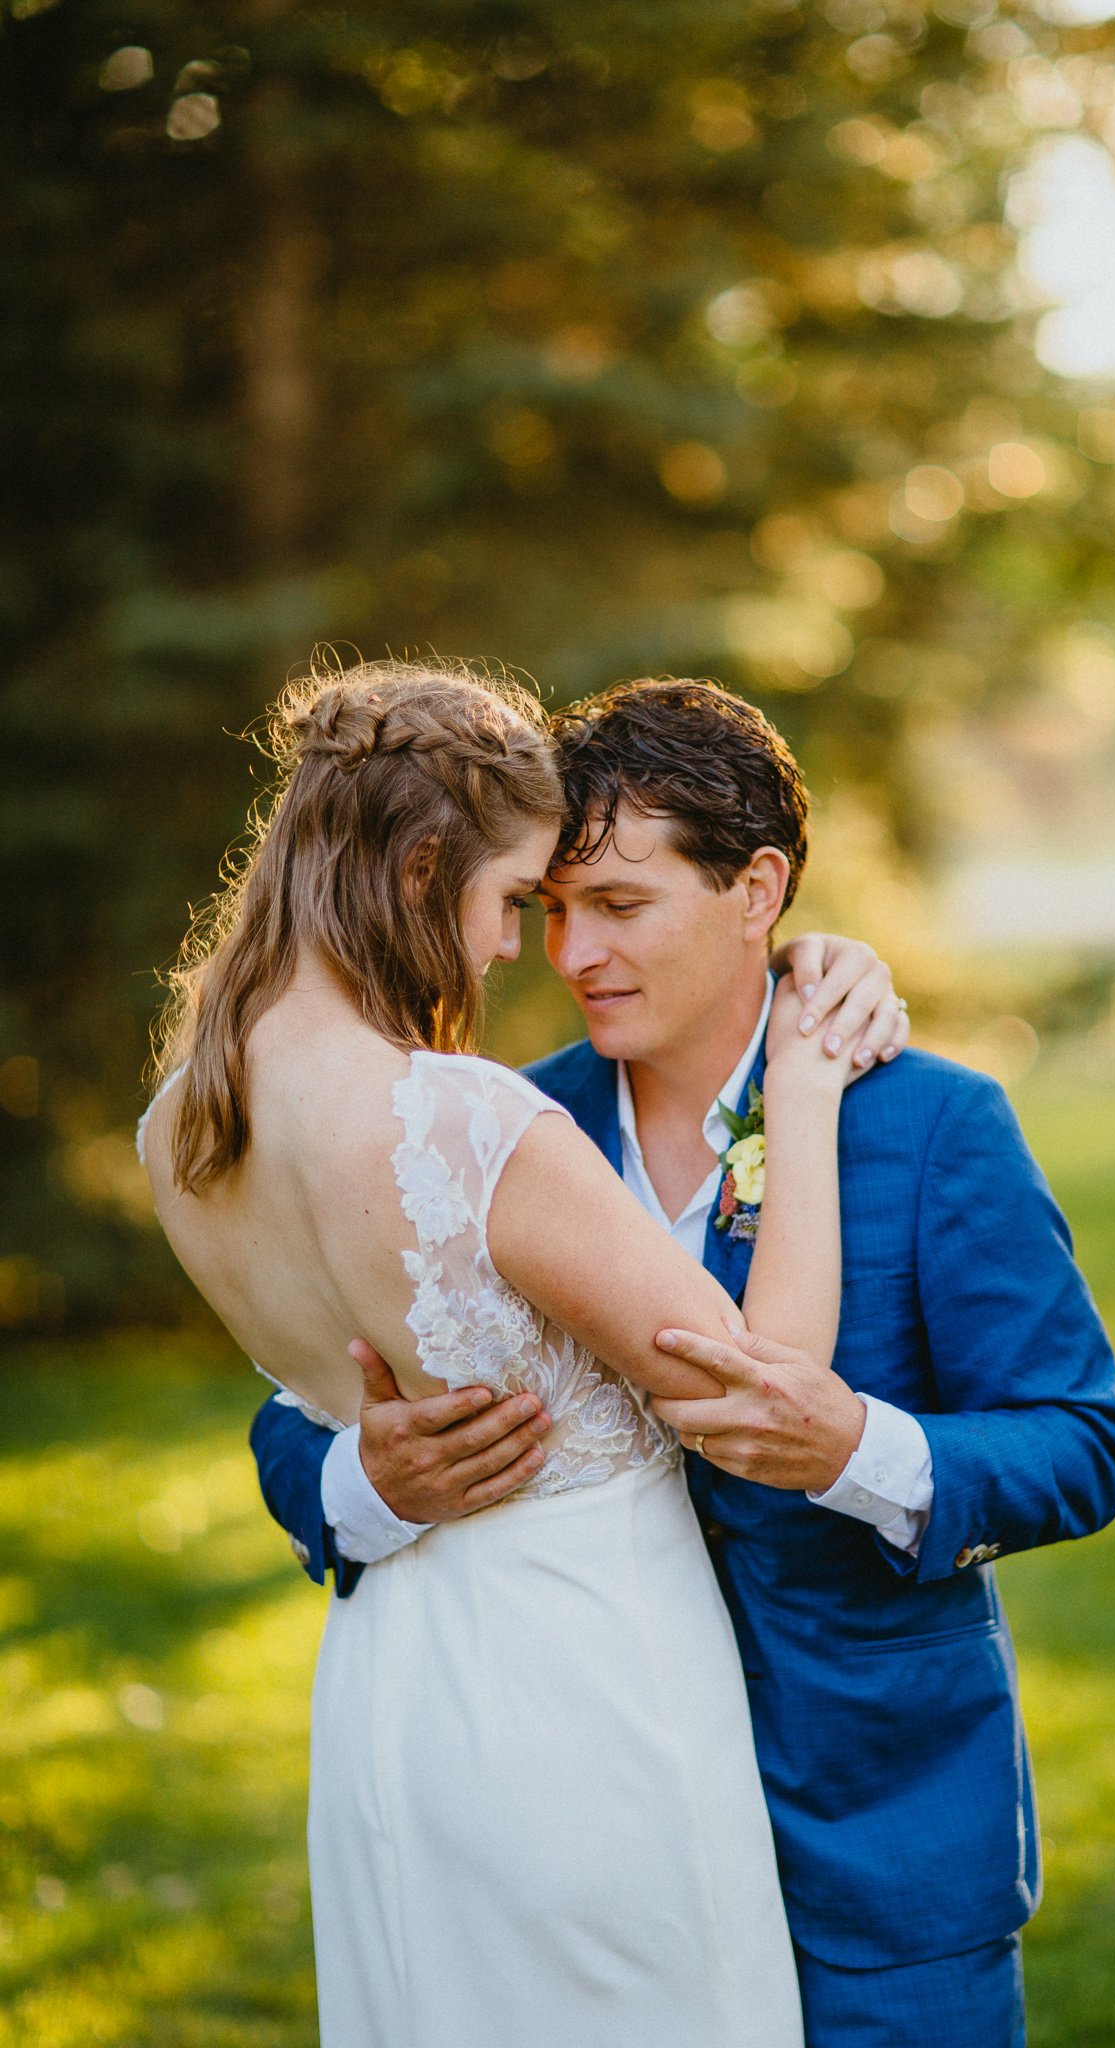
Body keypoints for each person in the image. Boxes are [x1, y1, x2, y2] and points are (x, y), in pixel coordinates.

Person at [254, 675, 1115, 2048]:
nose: (573, 955)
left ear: (756, 889)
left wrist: (862, 1450)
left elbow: (1080, 1439)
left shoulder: (931, 1127)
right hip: (582, 1837)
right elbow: (291, 1404)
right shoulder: (490, 1126)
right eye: (550, 910)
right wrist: (366, 1481)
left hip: (866, 1841)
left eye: (619, 905)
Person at [138, 658, 888, 2048]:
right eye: (509, 903)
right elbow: (766, 1384)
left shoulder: (184, 1129)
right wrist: (803, 1087)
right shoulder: (466, 1126)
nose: (510, 952)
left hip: (390, 1690)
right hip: (587, 1690)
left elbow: (328, 1400)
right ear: (423, 867)